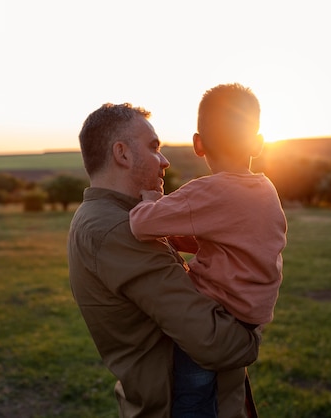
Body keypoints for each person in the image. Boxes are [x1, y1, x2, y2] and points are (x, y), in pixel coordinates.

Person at [67, 102, 261, 418]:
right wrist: (252, 329)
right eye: (154, 147)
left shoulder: (113, 217)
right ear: (122, 154)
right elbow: (215, 343)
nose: (165, 161)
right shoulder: (116, 229)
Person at [129, 83, 288, 417]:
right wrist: (178, 239)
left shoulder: (207, 191)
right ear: (258, 144)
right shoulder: (264, 189)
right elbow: (233, 242)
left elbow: (142, 225)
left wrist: (149, 199)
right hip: (249, 319)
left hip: (215, 320)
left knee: (193, 400)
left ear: (198, 144)